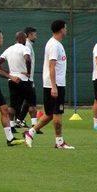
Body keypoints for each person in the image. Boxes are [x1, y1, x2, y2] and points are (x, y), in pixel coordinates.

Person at [24, 20, 75, 149]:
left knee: (50, 114)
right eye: (65, 28)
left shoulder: (57, 44)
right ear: (61, 29)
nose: (66, 30)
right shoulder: (54, 45)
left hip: (55, 84)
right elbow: (51, 67)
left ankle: (30, 132)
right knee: (57, 114)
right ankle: (59, 142)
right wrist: (54, 86)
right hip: (55, 85)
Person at [0, 32, 32, 132]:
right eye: (25, 38)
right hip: (23, 79)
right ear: (23, 38)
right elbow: (28, 60)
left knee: (13, 104)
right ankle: (29, 123)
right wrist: (28, 72)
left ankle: (12, 126)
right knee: (30, 102)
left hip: (12, 79)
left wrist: (7, 72)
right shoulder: (25, 48)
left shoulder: (9, 49)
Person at [18, 26, 40, 130]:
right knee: (31, 101)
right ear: (29, 35)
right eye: (34, 34)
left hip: (28, 77)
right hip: (27, 78)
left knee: (27, 100)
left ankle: (19, 120)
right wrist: (27, 73)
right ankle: (35, 126)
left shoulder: (29, 45)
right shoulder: (26, 45)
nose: (36, 36)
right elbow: (25, 60)